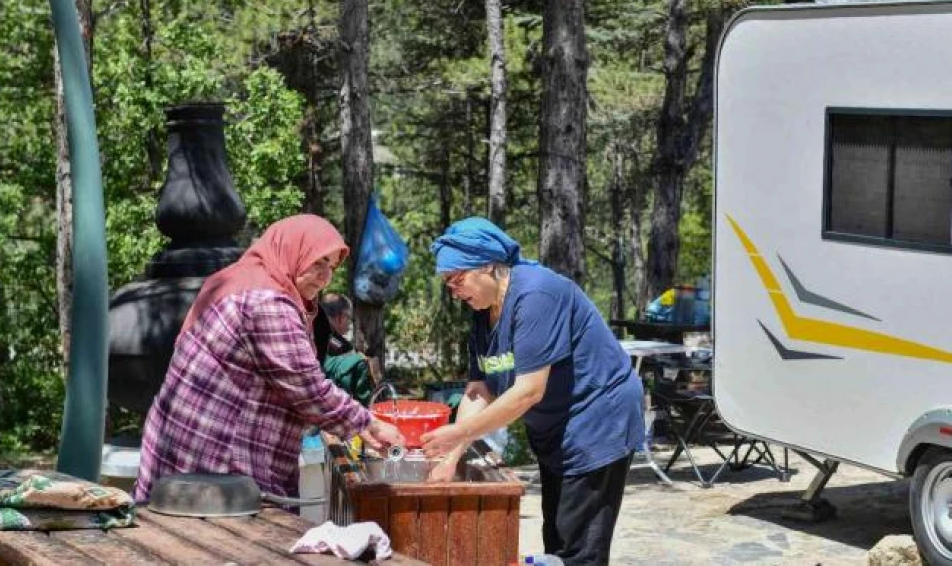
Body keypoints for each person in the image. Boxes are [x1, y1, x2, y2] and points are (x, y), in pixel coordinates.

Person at [133, 214, 404, 504]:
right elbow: (308, 390)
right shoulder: (268, 302)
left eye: (332, 265)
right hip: (213, 460)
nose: (326, 276)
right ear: (292, 252)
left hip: (184, 448)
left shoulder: (244, 277)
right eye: (317, 262)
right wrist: (369, 424)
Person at [420, 217, 644, 566]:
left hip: (597, 421)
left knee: (579, 548)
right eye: (447, 283)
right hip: (556, 429)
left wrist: (460, 433)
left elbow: (528, 392)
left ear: (489, 266)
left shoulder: (537, 295)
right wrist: (451, 456)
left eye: (457, 278)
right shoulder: (481, 315)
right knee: (556, 537)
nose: (453, 290)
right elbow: (479, 390)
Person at [317, 292, 376, 406]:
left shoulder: (303, 342)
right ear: (341, 317)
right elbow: (365, 409)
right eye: (349, 318)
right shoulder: (357, 362)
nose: (349, 323)